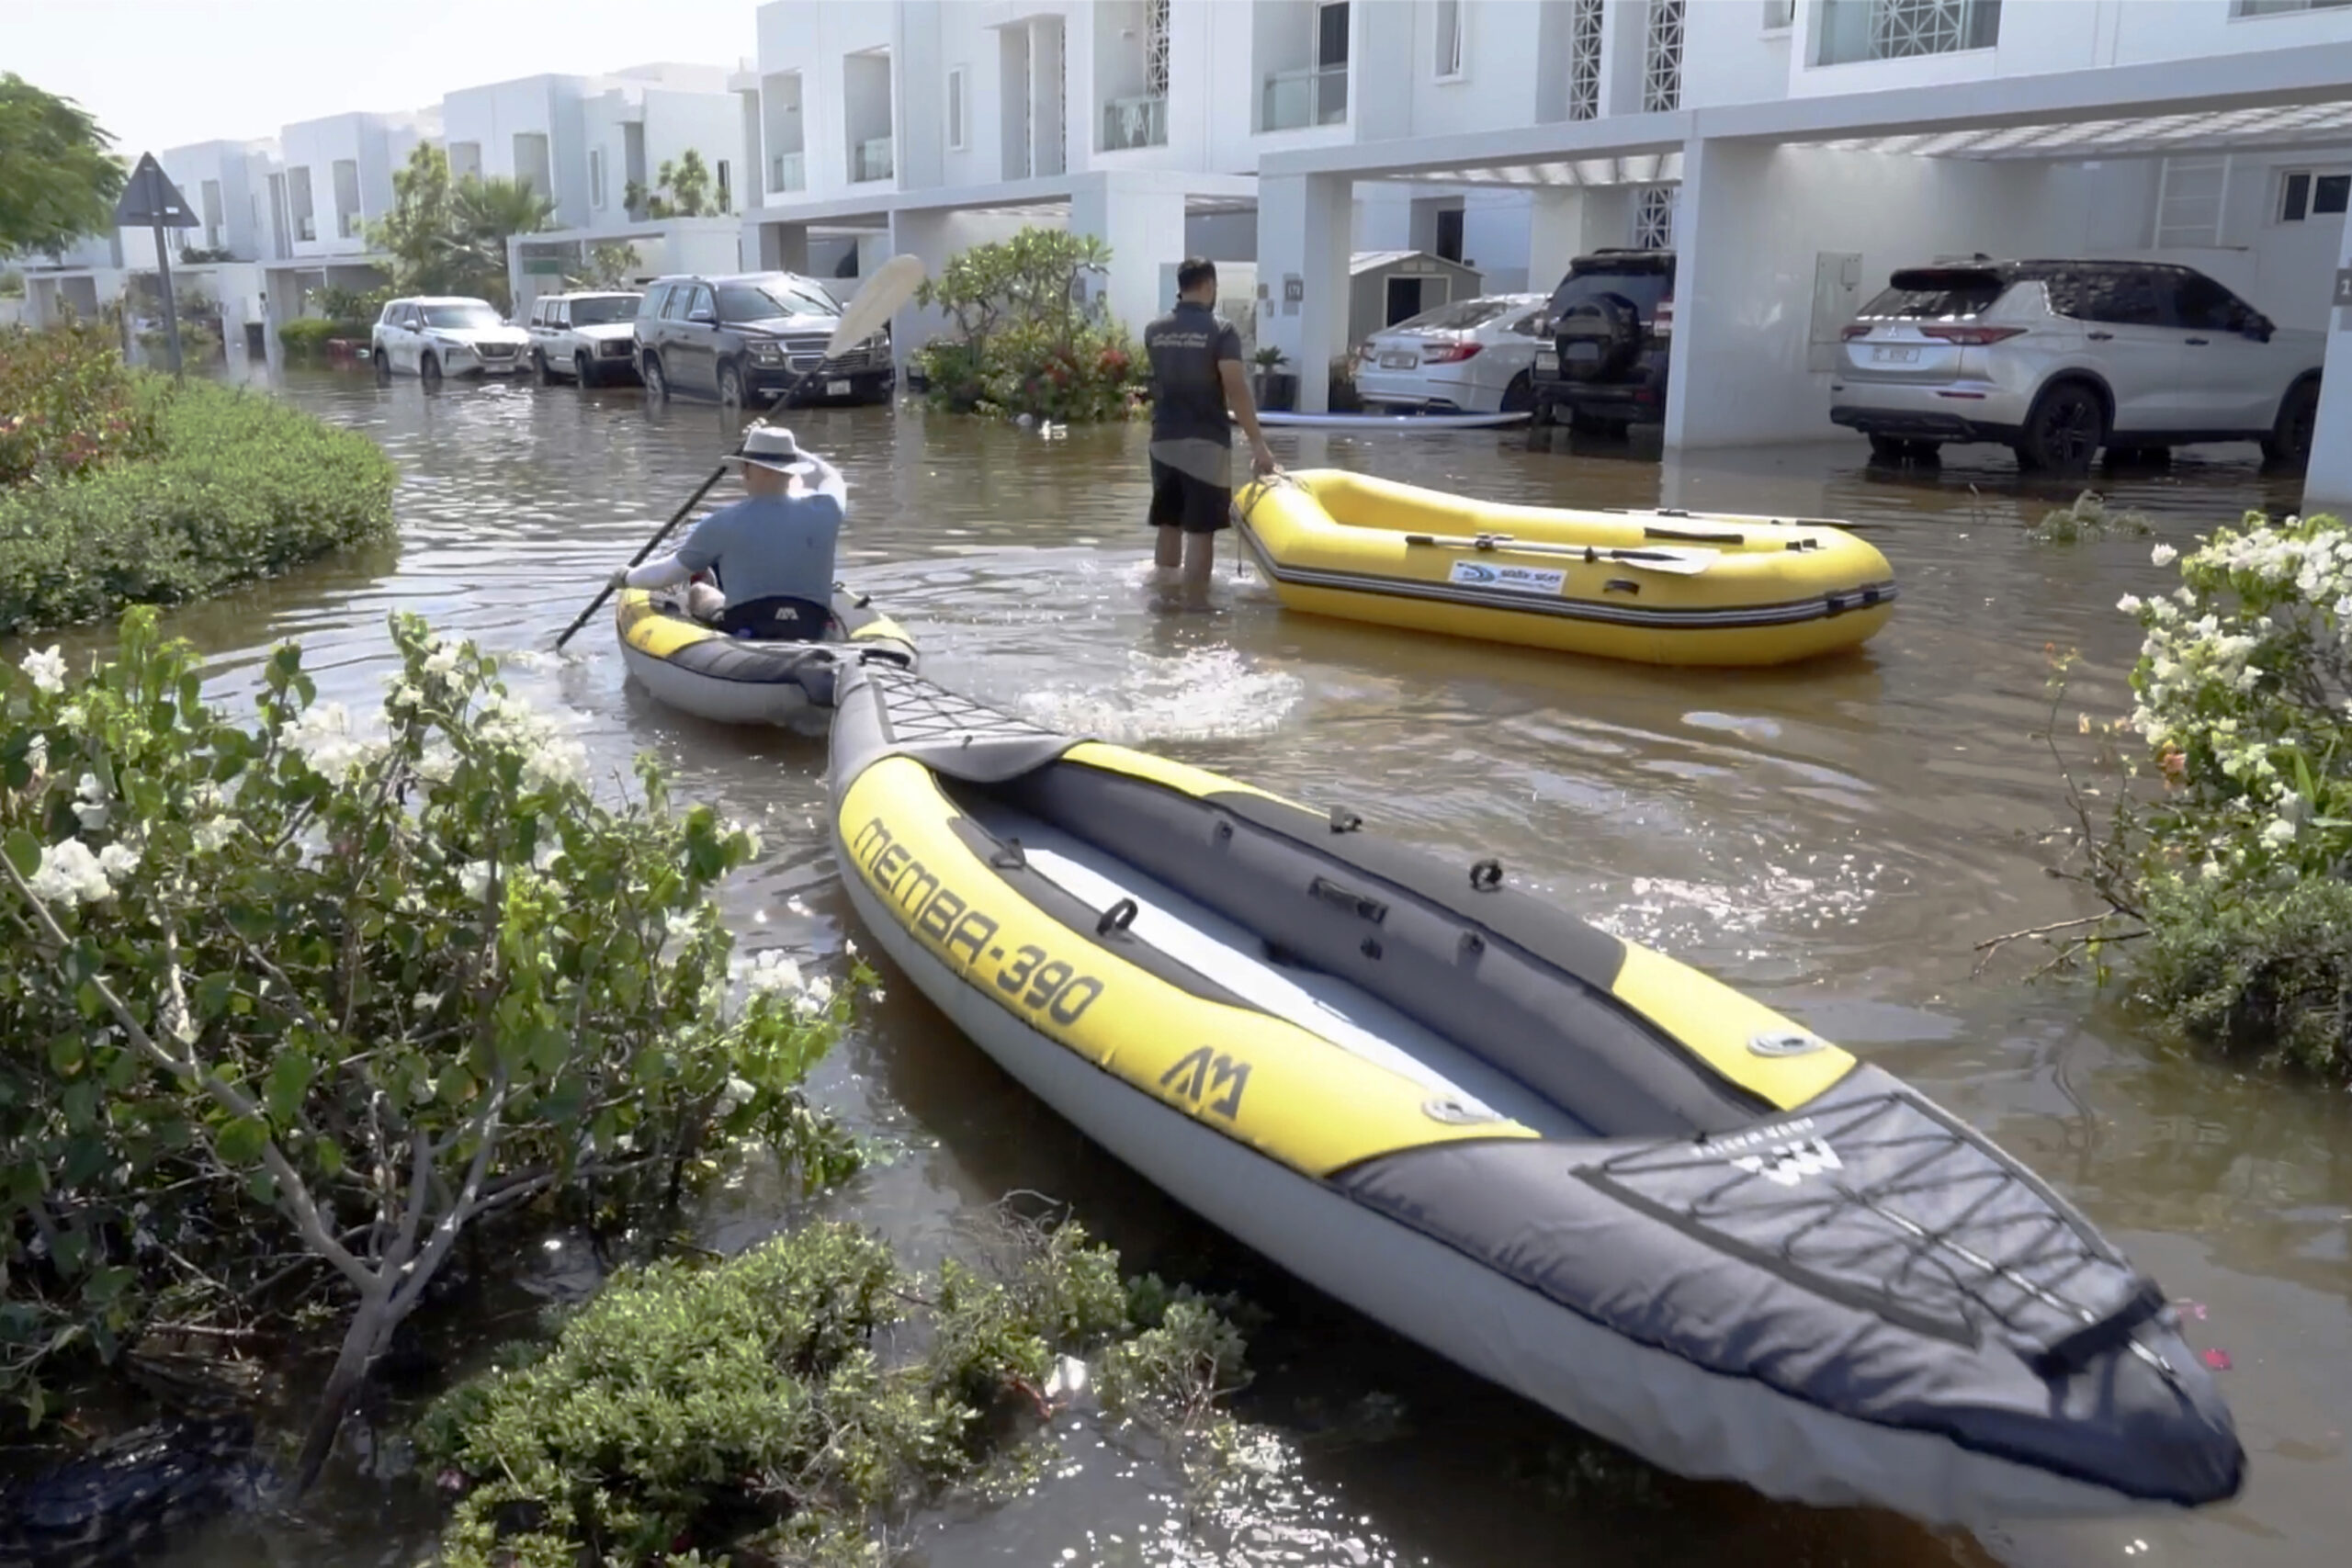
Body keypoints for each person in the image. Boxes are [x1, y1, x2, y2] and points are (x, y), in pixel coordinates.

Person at [610, 425, 845, 640]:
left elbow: (669, 573)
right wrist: (793, 451)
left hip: (748, 630)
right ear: (793, 472)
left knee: (699, 590)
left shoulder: (721, 523)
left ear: (746, 469)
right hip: (812, 627)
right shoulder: (827, 510)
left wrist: (628, 577)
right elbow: (830, 475)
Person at [1144, 258, 1279, 600]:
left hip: (1162, 440)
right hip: (1205, 442)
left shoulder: (1154, 330)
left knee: (1169, 522)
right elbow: (1235, 386)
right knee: (1201, 530)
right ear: (1208, 286)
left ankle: (1164, 604)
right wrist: (1258, 444)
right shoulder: (1221, 330)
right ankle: (1196, 613)